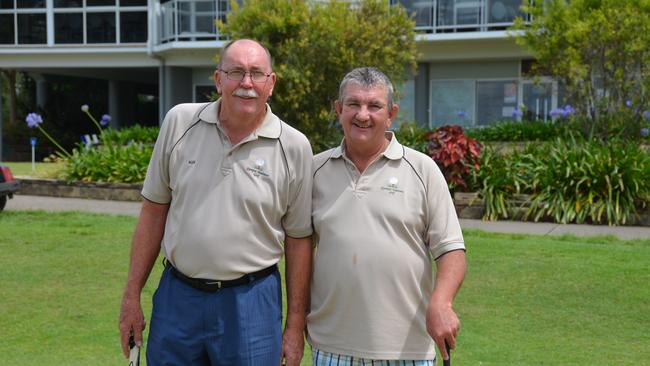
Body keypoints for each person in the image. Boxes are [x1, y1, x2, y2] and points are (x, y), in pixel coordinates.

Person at [118, 39, 313, 366]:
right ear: (218, 79)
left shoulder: (294, 146)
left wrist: (294, 327)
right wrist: (131, 296)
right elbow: (153, 213)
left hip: (252, 303)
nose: (246, 83)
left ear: (271, 83)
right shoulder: (179, 122)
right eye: (236, 72)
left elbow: (299, 241)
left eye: (256, 73)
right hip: (178, 297)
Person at [307, 67, 467, 365]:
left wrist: (442, 302)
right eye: (353, 104)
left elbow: (451, 249)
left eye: (374, 106)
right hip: (331, 348)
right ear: (339, 109)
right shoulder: (313, 171)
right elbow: (298, 251)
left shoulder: (422, 170)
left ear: (391, 113)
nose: (362, 115)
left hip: (408, 350)